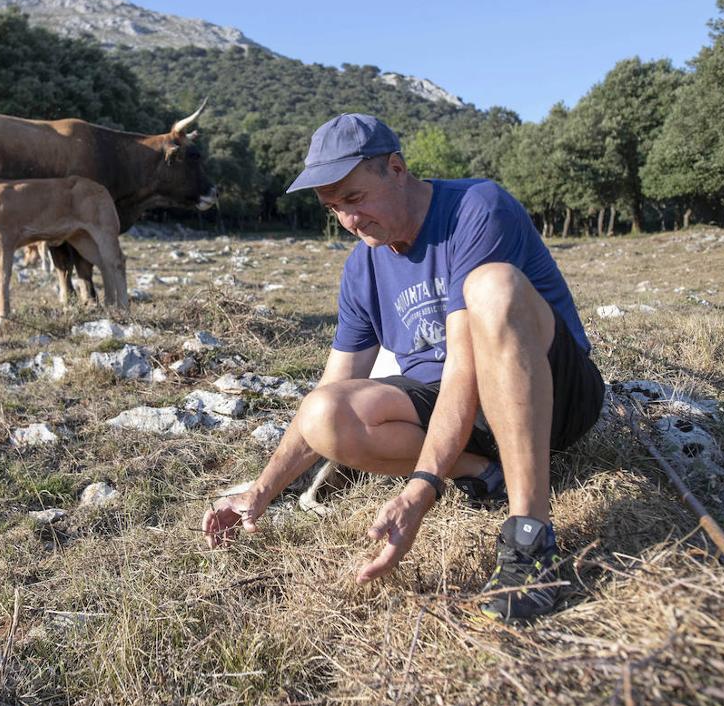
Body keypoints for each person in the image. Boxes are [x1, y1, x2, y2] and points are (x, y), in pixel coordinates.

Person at [201, 113, 604, 622]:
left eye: (354, 198)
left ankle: (530, 540)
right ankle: (484, 473)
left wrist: (422, 487)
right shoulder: (362, 266)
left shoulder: (477, 208)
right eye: (333, 208)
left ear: (396, 169)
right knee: (325, 412)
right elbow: (331, 388)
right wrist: (258, 495)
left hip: (553, 396)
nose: (349, 220)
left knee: (492, 287)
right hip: (461, 417)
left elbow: (464, 369)